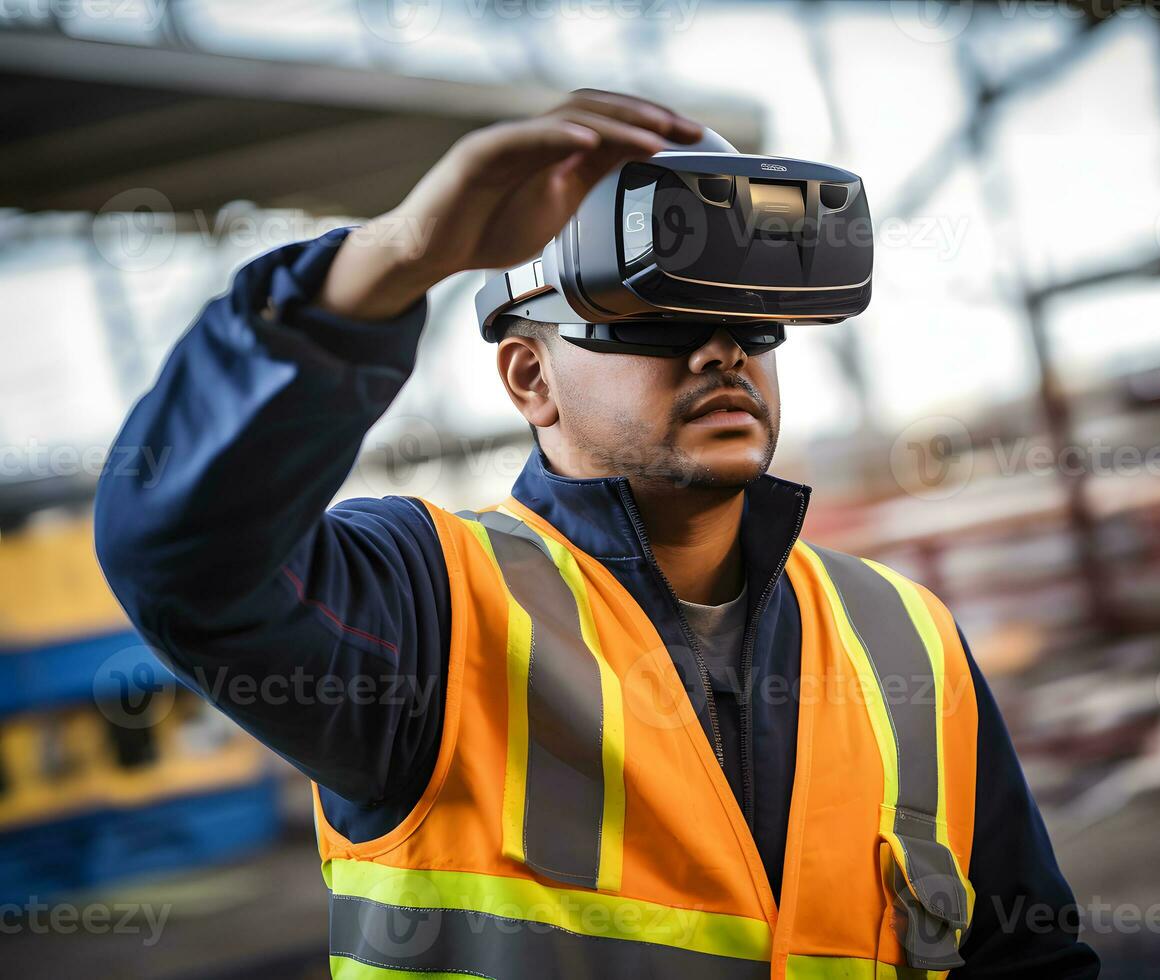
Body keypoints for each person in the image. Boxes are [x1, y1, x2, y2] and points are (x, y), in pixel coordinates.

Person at [95, 89, 1100, 978]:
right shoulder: (426, 607)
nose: (720, 351)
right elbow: (179, 551)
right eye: (655, 317)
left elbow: (1021, 952)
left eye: (752, 324)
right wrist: (402, 254)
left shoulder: (902, 634)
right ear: (529, 377)